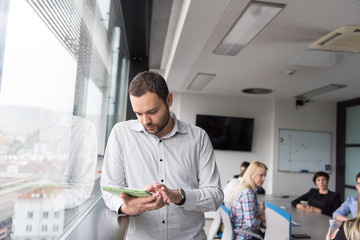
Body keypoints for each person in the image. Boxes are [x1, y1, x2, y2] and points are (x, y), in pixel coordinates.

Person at [100, 71, 223, 240]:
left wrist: (180, 196)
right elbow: (108, 188)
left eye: (152, 111)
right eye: (139, 113)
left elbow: (215, 197)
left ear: (169, 100)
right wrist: (125, 207)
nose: (145, 121)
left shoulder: (198, 137)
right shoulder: (121, 134)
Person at [230, 161, 267, 240]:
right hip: (246, 236)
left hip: (239, 233)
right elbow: (251, 224)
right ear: (252, 174)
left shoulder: (244, 188)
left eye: (265, 175)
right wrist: (262, 218)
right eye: (261, 175)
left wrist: (259, 211)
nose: (264, 179)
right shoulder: (248, 193)